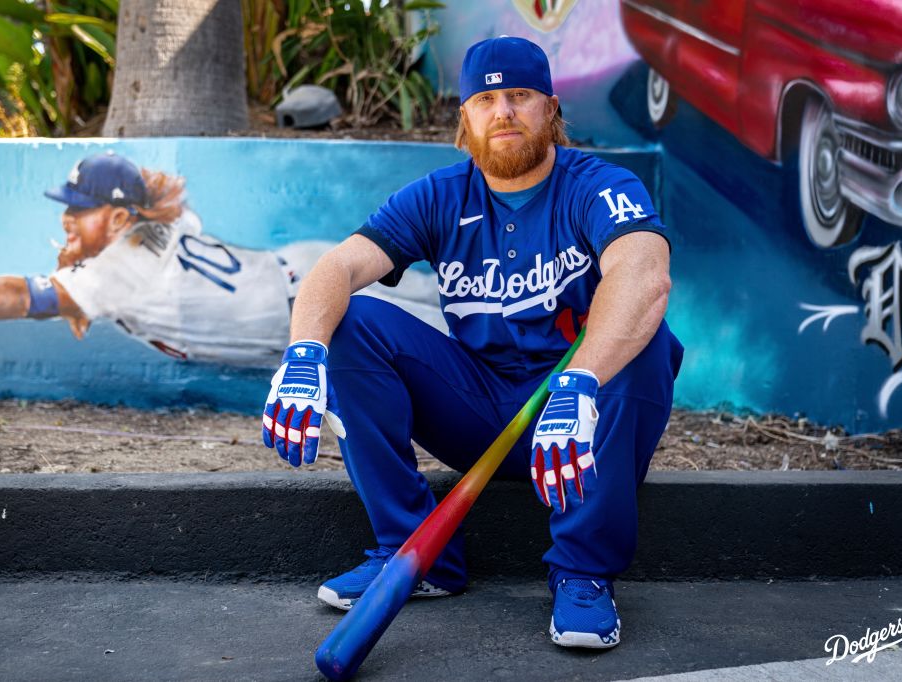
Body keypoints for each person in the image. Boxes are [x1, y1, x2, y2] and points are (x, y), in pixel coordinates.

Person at [262, 36, 684, 648]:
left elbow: (644, 273)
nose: (503, 112)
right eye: (486, 99)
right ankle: (416, 553)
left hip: (580, 420)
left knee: (648, 335)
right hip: (480, 409)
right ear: (466, 117)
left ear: (550, 109)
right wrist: (304, 352)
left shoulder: (598, 185)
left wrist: (581, 380)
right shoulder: (440, 195)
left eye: (519, 96)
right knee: (349, 324)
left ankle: (584, 573)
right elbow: (337, 268)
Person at [0, 152, 444, 367]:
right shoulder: (160, 223)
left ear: (118, 218)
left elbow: (25, 295)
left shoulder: (116, 270)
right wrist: (77, 283)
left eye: (81, 209)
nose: (68, 219)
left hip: (310, 302)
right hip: (297, 276)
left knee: (458, 329)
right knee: (455, 312)